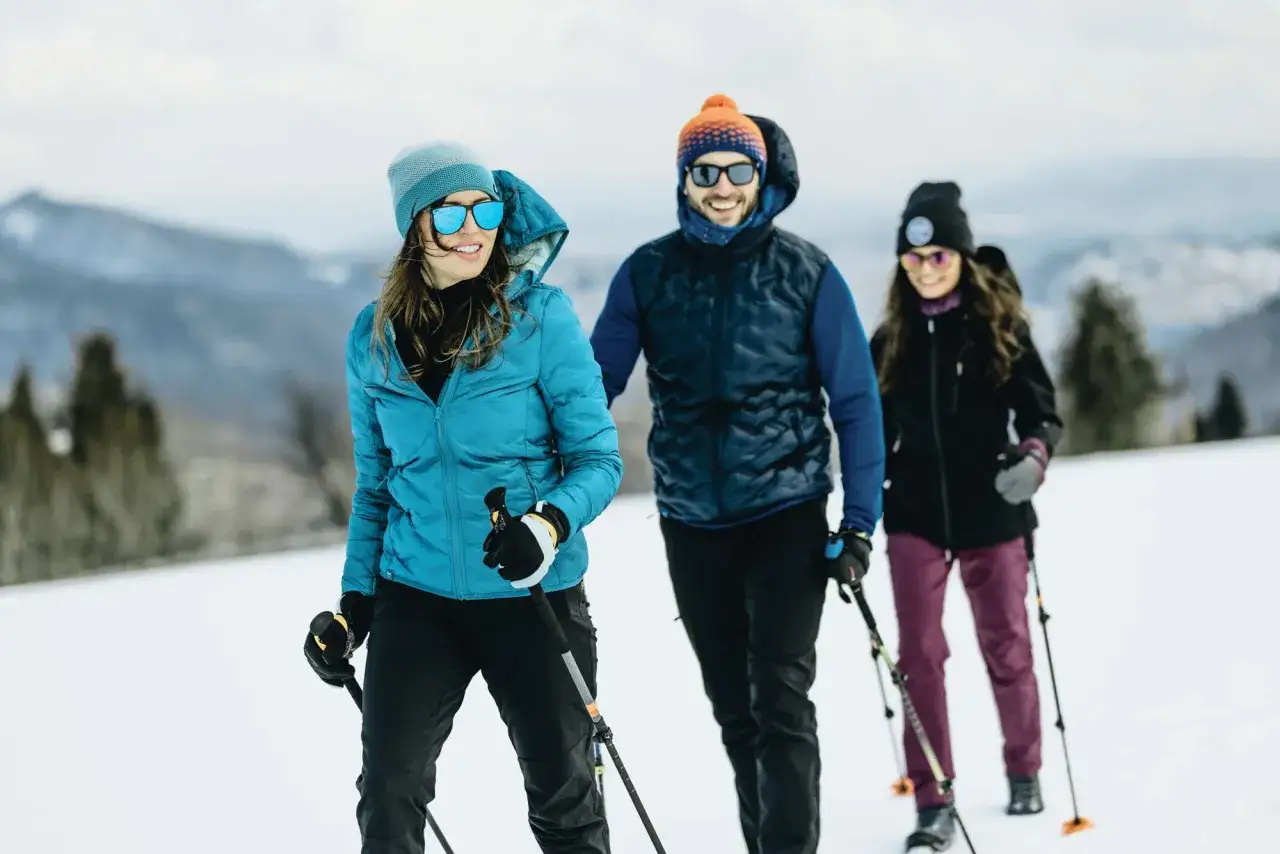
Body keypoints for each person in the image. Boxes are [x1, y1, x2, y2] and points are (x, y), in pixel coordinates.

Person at [302, 141, 622, 854]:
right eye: (451, 213)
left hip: (533, 596)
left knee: (565, 799)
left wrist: (546, 525)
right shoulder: (373, 338)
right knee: (387, 795)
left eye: (485, 209)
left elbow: (600, 459)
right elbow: (377, 488)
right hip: (417, 596)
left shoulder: (541, 318)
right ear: (415, 228)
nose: (473, 228)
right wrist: (355, 611)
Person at [588, 94, 885, 854]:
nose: (722, 186)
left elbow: (855, 402)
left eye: (738, 169)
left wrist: (857, 525)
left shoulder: (806, 273)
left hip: (787, 514)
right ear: (684, 179)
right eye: (705, 170)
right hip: (691, 525)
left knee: (782, 702)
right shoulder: (646, 274)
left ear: (762, 174)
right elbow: (592, 388)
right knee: (735, 713)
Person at [869, 181, 1063, 852]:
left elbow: (1042, 412)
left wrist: (1033, 459)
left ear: (962, 255)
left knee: (1007, 645)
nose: (926, 269)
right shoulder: (890, 341)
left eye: (939, 255)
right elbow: (868, 433)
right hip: (915, 514)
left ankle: (1025, 767)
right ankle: (933, 799)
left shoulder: (997, 328)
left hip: (992, 508)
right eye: (914, 259)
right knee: (920, 655)